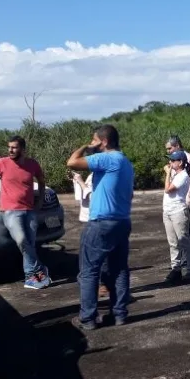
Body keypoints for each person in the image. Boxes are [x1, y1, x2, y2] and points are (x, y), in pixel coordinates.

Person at [66, 124, 134, 330]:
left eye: (95, 140)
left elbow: (72, 162)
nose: (93, 143)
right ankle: (119, 314)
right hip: (122, 221)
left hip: (101, 222)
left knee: (88, 271)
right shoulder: (126, 162)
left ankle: (87, 318)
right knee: (119, 269)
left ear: (103, 141)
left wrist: (86, 147)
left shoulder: (107, 158)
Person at [0, 135, 51, 289]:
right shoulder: (2, 163)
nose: (10, 150)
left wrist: (40, 200)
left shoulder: (32, 164)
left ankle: (30, 277)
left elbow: (42, 181)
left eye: (14, 147)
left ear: (23, 149)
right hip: (10, 211)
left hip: (29, 210)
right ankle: (40, 269)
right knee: (22, 241)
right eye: (9, 147)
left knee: (29, 243)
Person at [73, 170, 110, 299]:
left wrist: (81, 182)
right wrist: (77, 181)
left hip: (97, 220)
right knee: (87, 255)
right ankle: (92, 284)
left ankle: (102, 284)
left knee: (99, 256)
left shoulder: (103, 177)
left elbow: (93, 197)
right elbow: (80, 197)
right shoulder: (91, 176)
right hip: (87, 220)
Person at [162, 150, 190, 284]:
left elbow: (168, 189)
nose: (170, 163)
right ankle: (176, 268)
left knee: (184, 241)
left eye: (172, 160)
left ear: (180, 162)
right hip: (168, 211)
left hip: (178, 211)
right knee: (173, 242)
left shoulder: (183, 176)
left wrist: (167, 173)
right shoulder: (175, 175)